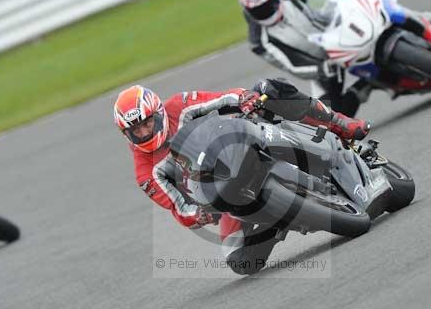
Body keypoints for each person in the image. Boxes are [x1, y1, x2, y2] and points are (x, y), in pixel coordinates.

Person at [113, 78, 370, 275]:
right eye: (137, 130)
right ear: (127, 135)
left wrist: (244, 98)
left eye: (147, 122)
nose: (145, 132)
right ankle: (280, 220)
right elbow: (178, 207)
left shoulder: (178, 106)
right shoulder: (146, 173)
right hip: (223, 195)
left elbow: (220, 99)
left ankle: (340, 123)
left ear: (157, 112)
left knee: (267, 88)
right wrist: (199, 215)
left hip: (239, 143)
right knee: (240, 261)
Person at [238, 0, 431, 117]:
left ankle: (416, 17)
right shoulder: (259, 40)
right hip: (324, 63)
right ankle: (362, 88)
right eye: (260, 10)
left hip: (341, 29)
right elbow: (290, 63)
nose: (268, 10)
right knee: (328, 117)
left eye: (269, 3)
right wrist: (321, 68)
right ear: (248, 10)